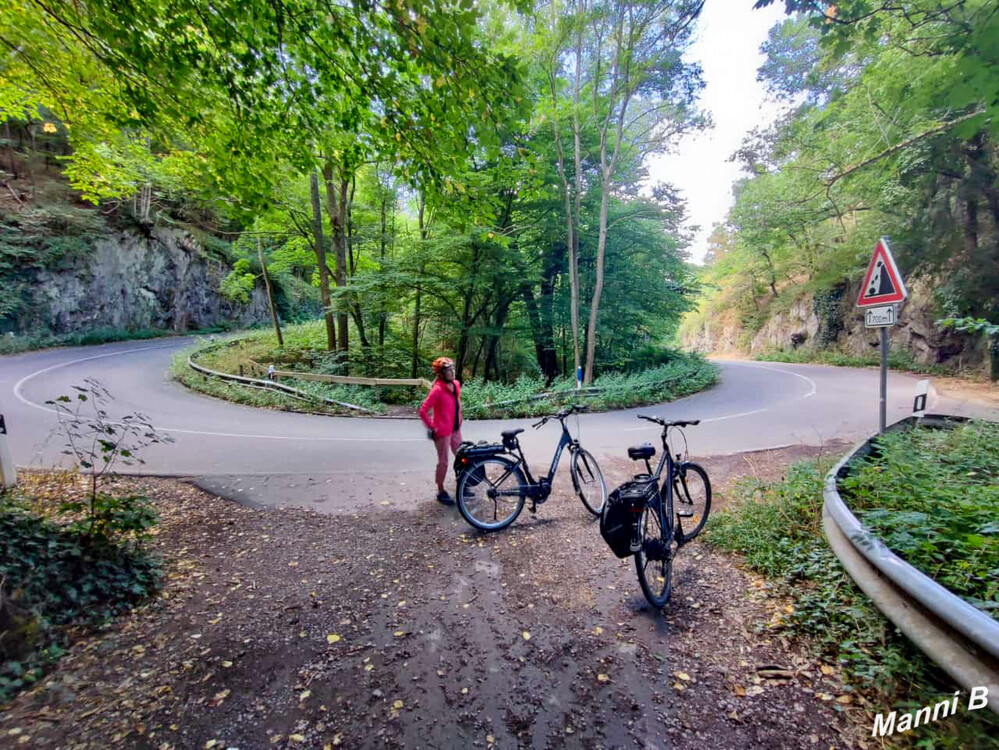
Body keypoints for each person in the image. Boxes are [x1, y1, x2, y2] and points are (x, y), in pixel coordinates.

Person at [419, 357, 463, 505]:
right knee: (443, 462)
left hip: (455, 429)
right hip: (443, 432)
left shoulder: (456, 384)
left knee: (463, 457)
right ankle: (440, 490)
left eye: (453, 369)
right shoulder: (437, 390)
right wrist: (432, 427)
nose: (452, 372)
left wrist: (460, 419)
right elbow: (423, 410)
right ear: (441, 374)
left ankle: (463, 484)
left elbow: (457, 404)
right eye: (448, 370)